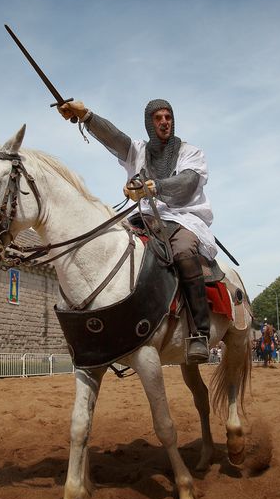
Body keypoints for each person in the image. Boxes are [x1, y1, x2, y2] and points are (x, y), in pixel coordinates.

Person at [58, 98, 217, 363]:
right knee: (110, 243)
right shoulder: (138, 150)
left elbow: (188, 182)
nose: (164, 122)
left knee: (183, 252)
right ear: (149, 123)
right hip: (143, 219)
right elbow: (114, 137)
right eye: (158, 118)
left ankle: (199, 334)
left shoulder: (191, 152)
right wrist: (85, 115)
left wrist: (155, 187)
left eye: (168, 117)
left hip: (182, 219)